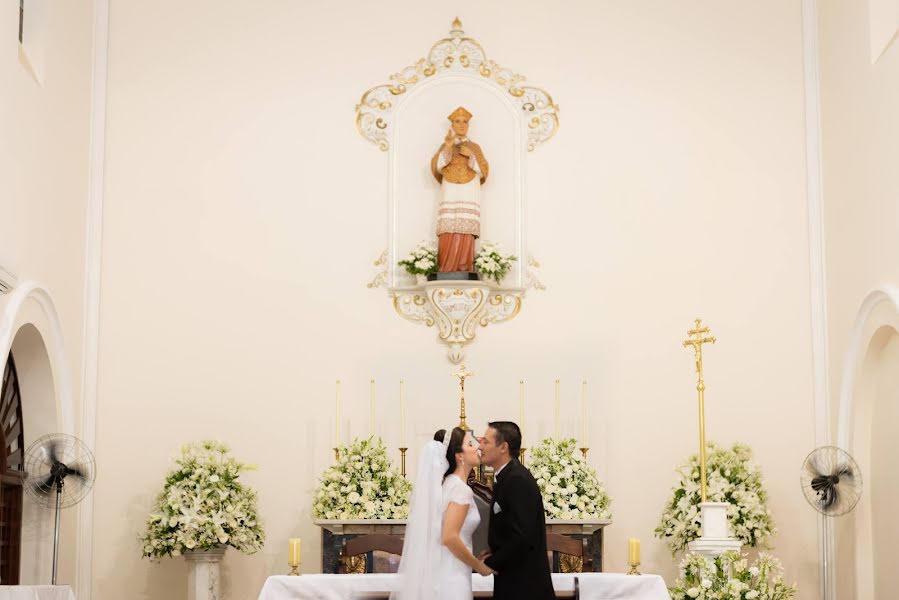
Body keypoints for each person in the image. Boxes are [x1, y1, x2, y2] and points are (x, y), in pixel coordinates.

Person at [392, 427, 494, 600]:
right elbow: (449, 537)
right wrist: (479, 566)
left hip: (445, 571)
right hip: (453, 577)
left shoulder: (448, 485)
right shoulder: (460, 490)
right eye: (470, 444)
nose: (476, 447)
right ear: (459, 456)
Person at [478, 421, 555, 600]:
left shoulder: (517, 480)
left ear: (503, 447)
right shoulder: (507, 477)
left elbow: (523, 536)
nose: (480, 446)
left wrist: (490, 563)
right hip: (514, 583)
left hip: (525, 588)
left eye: (486, 442)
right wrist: (494, 551)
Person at [430, 107, 489, 273]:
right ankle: (446, 266)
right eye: (457, 121)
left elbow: (484, 171)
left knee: (466, 223)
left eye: (465, 122)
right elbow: (437, 167)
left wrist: (472, 155)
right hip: (450, 190)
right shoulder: (445, 145)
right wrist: (448, 148)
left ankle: (465, 266)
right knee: (449, 224)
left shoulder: (475, 147)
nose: (462, 125)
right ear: (452, 125)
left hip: (470, 190)